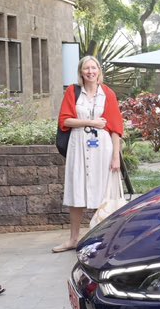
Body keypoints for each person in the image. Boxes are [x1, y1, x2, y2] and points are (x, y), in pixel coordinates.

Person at [53, 56, 124, 253]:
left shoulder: (107, 93)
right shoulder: (73, 92)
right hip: (78, 145)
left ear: (99, 70)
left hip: (103, 148)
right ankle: (73, 239)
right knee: (77, 190)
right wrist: (91, 123)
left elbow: (116, 128)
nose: (90, 71)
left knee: (102, 192)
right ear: (81, 72)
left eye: (93, 68)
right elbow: (65, 121)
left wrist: (116, 156)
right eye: (86, 68)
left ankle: (104, 239)